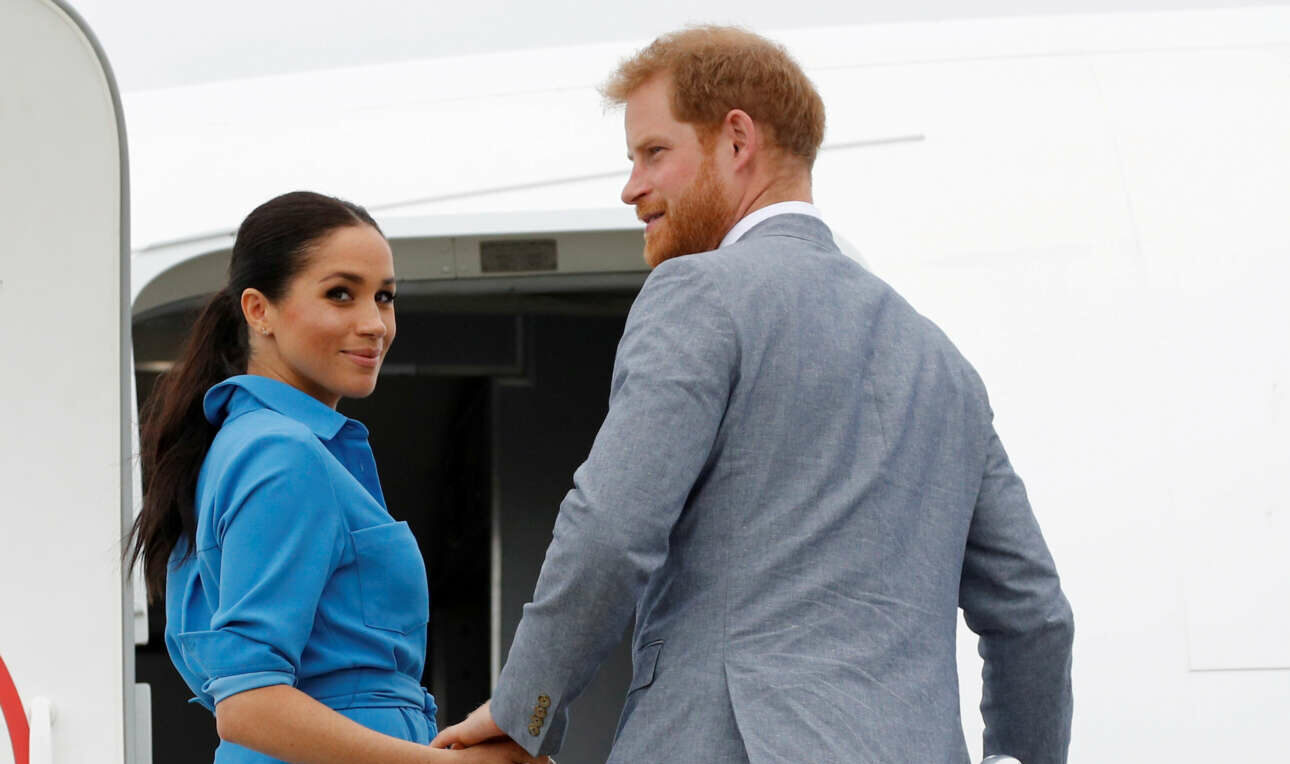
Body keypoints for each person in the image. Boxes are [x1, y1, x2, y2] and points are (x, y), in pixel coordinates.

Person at [433, 26, 1074, 764]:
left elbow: (610, 529)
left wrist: (526, 711)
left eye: (653, 152)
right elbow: (1035, 615)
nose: (631, 187)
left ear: (737, 140)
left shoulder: (697, 293)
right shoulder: (942, 362)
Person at [126, 191, 546, 764]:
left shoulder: (255, 444)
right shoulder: (281, 452)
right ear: (258, 310)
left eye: (385, 297)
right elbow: (248, 704)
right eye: (340, 294)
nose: (374, 324)